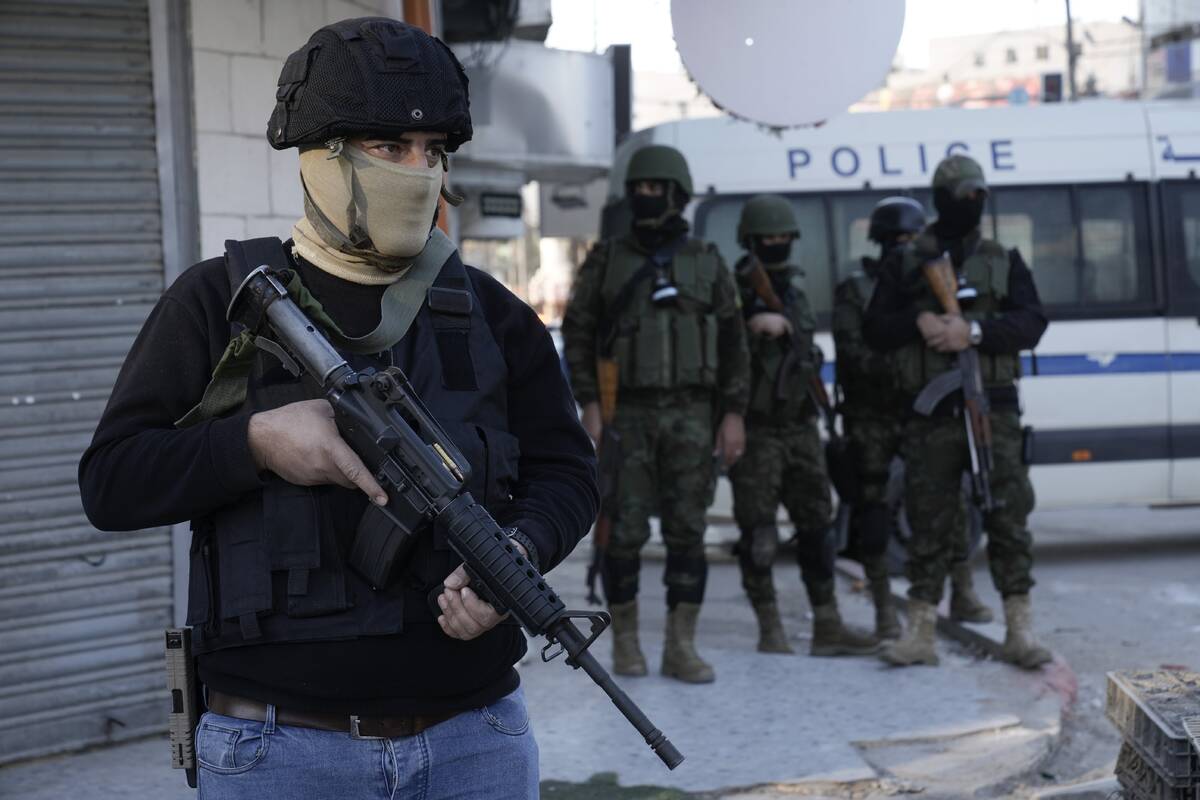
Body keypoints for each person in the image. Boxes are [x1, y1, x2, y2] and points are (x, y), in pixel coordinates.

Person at [78, 18, 597, 798]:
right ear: (322, 159)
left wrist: (516, 555)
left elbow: (569, 475)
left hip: (475, 741)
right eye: (390, 148)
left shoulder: (489, 311)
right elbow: (111, 483)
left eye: (433, 152)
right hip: (281, 748)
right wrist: (253, 443)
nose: (418, 172)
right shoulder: (217, 303)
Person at [562, 144, 749, 683]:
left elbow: (735, 345)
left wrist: (733, 413)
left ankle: (680, 646)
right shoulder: (607, 259)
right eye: (638, 189)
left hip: (693, 414)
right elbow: (578, 332)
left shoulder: (708, 262)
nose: (644, 198)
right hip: (628, 418)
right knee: (622, 532)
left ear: (675, 194)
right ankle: (625, 643)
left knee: (689, 533)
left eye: (654, 189)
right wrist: (591, 405)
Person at [863, 154, 1051, 669]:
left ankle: (1020, 628)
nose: (972, 204)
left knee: (1008, 515)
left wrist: (972, 332)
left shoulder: (1003, 259)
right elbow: (874, 328)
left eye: (978, 196)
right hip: (932, 415)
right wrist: (920, 319)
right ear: (941, 199)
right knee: (928, 520)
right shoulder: (906, 263)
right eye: (963, 196)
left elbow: (1032, 322)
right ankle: (919, 631)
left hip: (993, 409)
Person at [832, 197, 995, 641]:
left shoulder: (927, 281)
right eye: (895, 241)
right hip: (872, 417)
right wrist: (908, 349)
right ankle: (885, 607)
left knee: (949, 498)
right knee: (874, 512)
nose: (902, 248)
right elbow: (856, 352)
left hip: (922, 409)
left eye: (909, 240)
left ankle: (962, 589)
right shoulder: (857, 290)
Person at [729, 194, 878, 657]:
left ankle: (827, 625)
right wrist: (750, 324)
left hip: (799, 426)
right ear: (751, 242)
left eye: (782, 238)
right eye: (767, 239)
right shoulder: (732, 293)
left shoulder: (794, 290)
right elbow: (719, 351)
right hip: (756, 429)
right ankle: (769, 627)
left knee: (817, 527)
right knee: (757, 533)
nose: (776, 246)